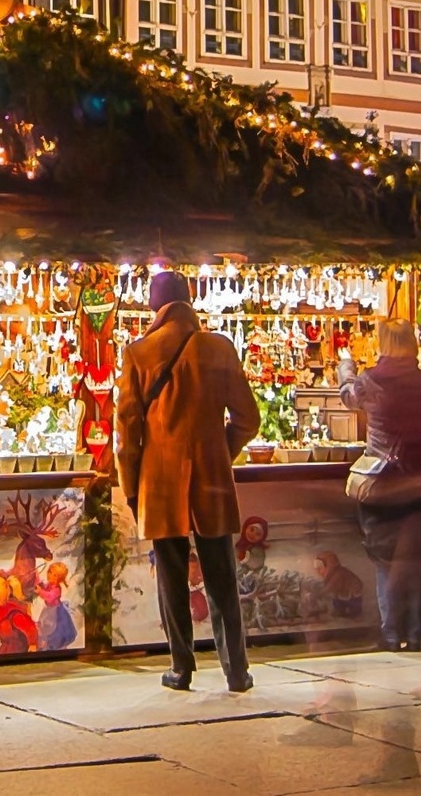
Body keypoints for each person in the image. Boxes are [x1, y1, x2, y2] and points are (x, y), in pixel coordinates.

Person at [117, 271, 262, 693]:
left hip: (160, 481)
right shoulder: (219, 348)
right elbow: (248, 420)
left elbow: (128, 433)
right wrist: (219, 452)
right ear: (190, 299)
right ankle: (236, 670)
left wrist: (131, 486)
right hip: (211, 479)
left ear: (154, 304)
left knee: (172, 576)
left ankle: (181, 668)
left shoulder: (139, 353)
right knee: (222, 575)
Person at [340, 319, 421, 651]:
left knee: (385, 559)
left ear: (383, 343)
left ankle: (391, 633)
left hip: (383, 483)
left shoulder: (370, 381)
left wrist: (345, 365)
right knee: (418, 560)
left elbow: (347, 397)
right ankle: (417, 633)